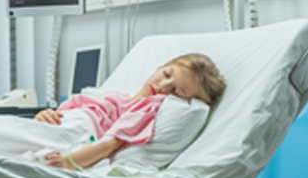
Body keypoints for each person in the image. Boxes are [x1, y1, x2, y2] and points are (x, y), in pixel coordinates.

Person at [34, 53, 225, 170]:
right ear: (161, 66)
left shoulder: (146, 110)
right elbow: (65, 112)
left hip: (76, 134)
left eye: (176, 91)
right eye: (166, 74)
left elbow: (110, 144)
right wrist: (43, 115)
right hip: (51, 126)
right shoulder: (116, 96)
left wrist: (69, 163)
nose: (163, 86)